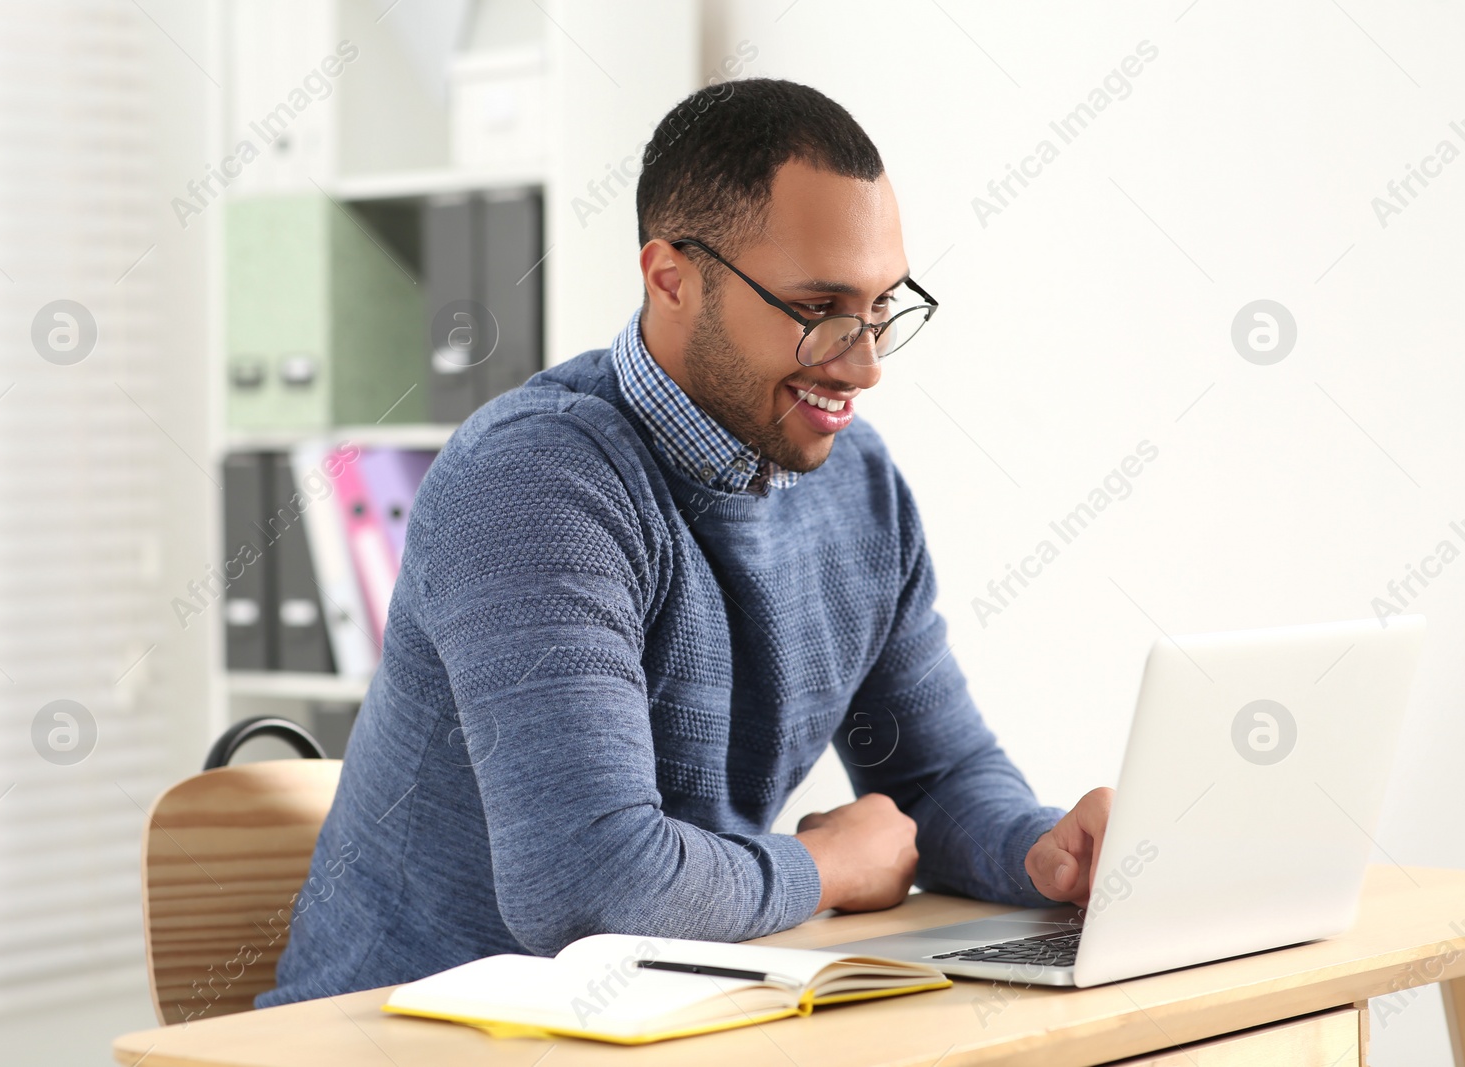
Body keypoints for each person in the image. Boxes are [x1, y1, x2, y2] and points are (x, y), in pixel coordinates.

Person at [257, 77, 1112, 1008]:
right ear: (670, 277)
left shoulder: (855, 484)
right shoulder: (538, 483)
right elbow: (588, 887)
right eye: (819, 307)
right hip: (397, 1034)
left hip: (662, 1014)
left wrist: (1043, 850)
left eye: (879, 308)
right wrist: (821, 866)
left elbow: (935, 777)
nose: (863, 362)